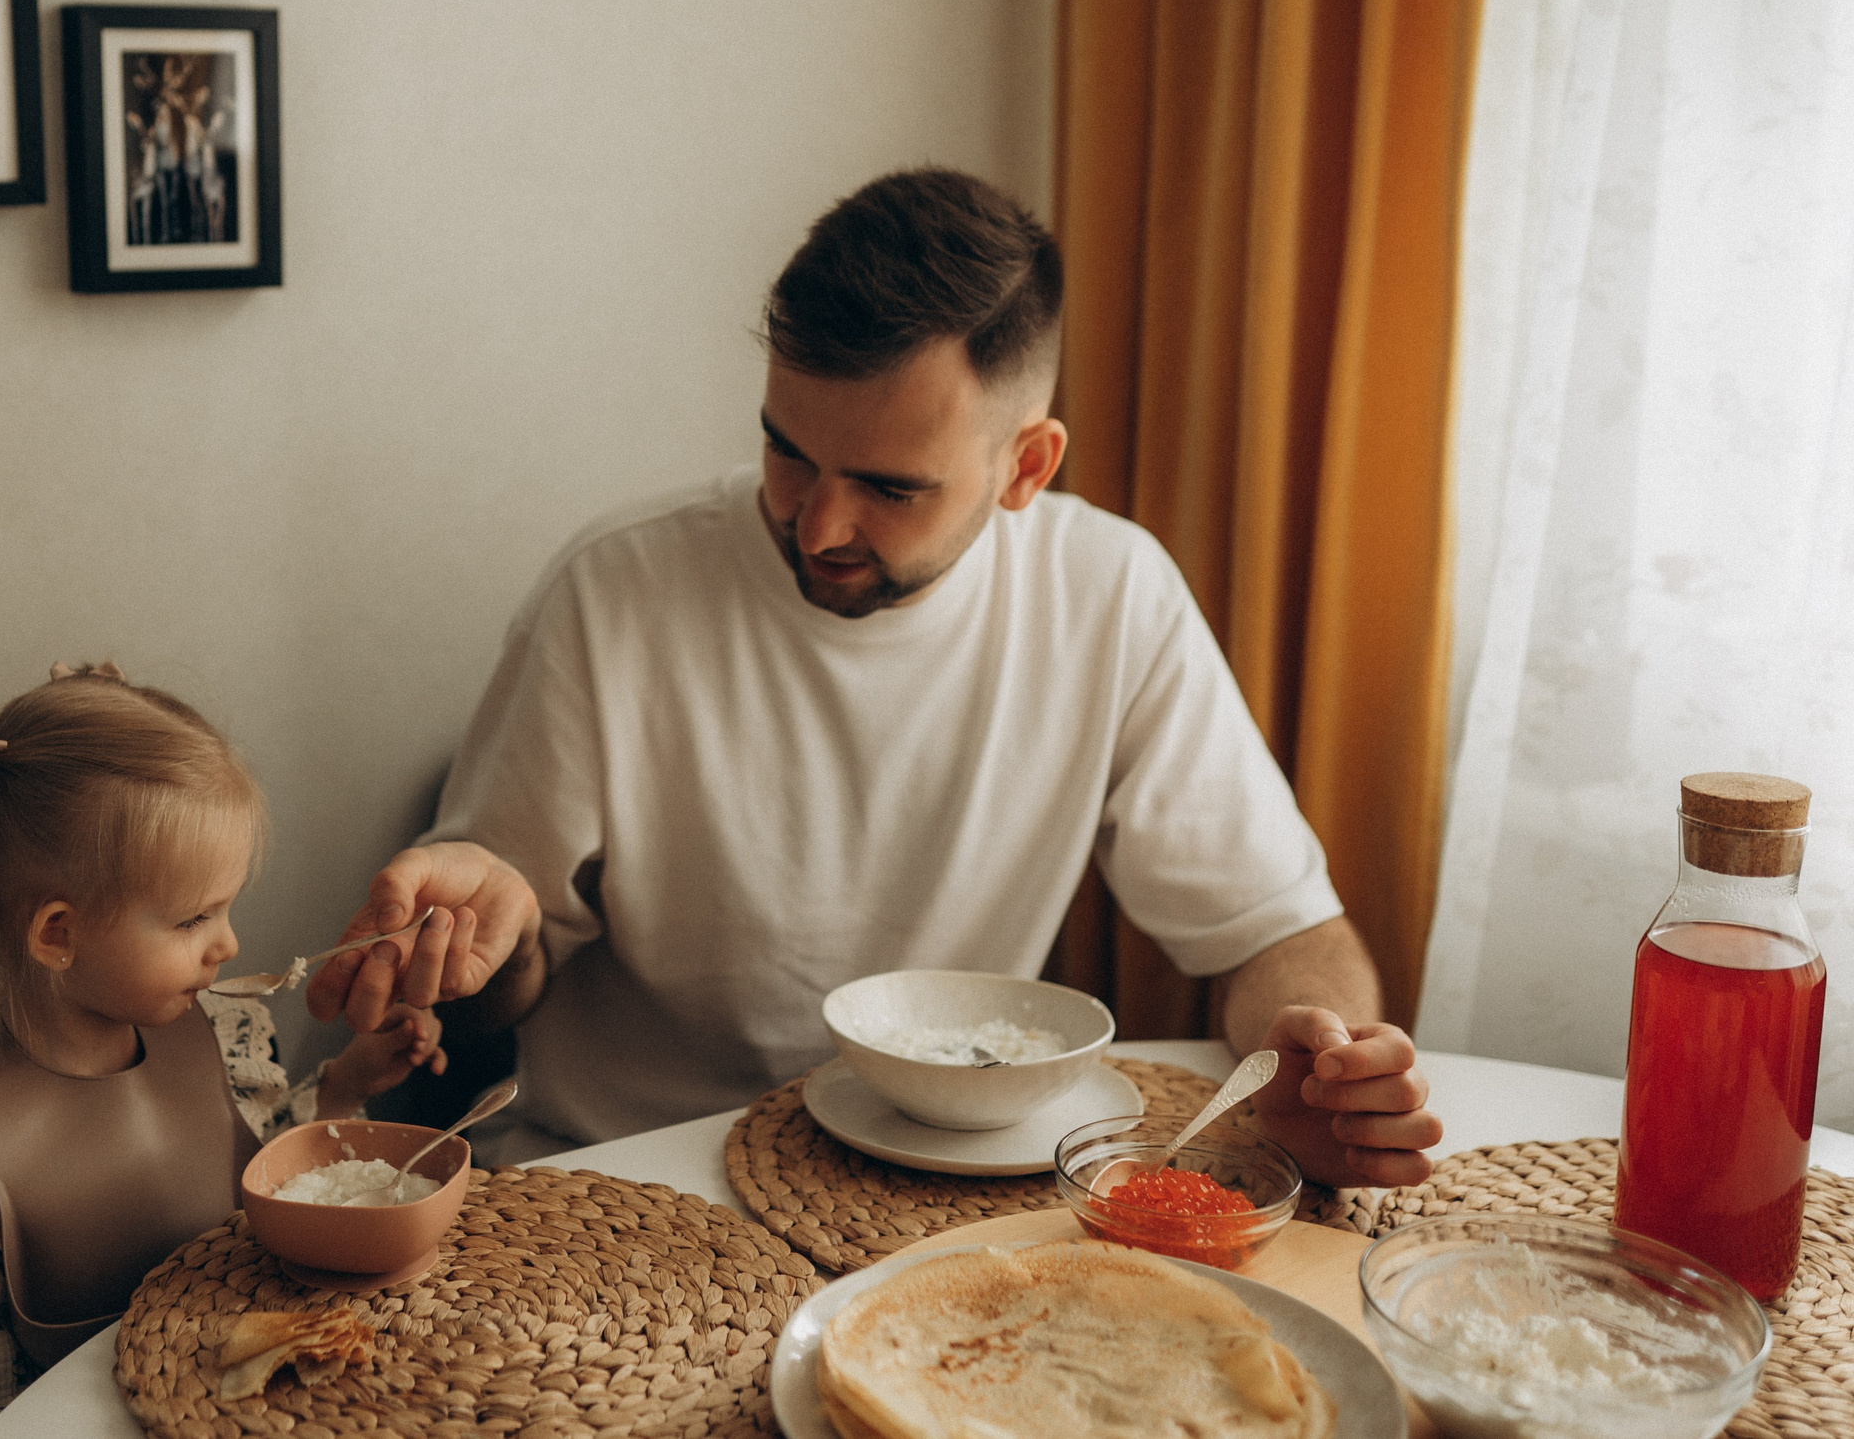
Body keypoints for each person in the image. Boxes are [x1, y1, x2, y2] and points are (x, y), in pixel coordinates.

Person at [305, 168, 1442, 1192]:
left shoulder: (1111, 591)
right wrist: (479, 950)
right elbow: (512, 979)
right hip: (637, 1176)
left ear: (1025, 467)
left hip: (945, 1181)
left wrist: (1326, 1057)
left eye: (890, 488)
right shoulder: (615, 590)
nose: (817, 524)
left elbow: (1276, 933)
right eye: (788, 452)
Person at [0, 661, 445, 1438]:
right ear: (58, 934)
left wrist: (341, 1087)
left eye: (228, 907)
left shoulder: (225, 1034)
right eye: (192, 919)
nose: (229, 944)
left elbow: (273, 1186)